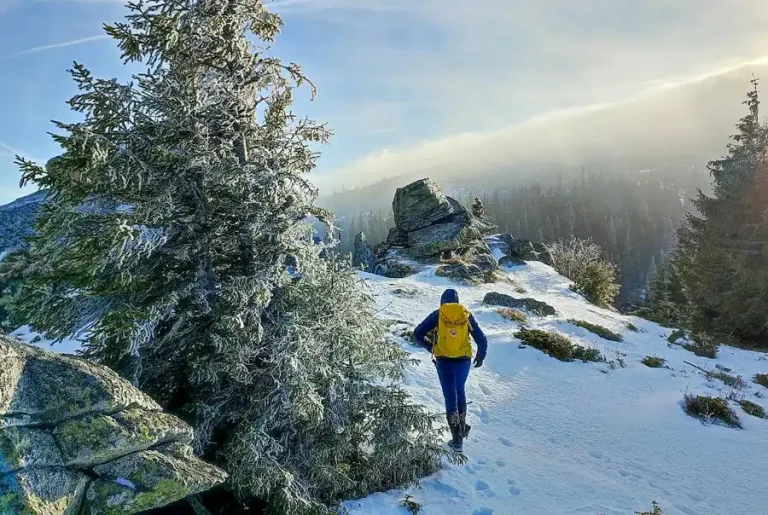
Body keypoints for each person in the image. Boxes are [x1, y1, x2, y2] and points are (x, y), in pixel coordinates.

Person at [414, 288, 487, 453]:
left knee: (450, 397)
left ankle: (457, 440)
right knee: (459, 391)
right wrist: (480, 356)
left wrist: (431, 347)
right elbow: (482, 340)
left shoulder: (438, 314)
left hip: (444, 361)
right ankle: (460, 433)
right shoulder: (465, 315)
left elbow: (418, 333)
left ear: (442, 301)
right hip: (464, 361)